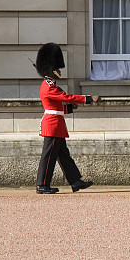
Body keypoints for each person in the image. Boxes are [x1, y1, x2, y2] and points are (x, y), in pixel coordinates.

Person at [34, 42, 100, 194]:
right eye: (57, 68)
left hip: (56, 124)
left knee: (64, 156)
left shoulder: (50, 84)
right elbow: (65, 96)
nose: (59, 71)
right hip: (52, 125)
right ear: (51, 69)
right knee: (49, 157)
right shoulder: (49, 86)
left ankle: (75, 181)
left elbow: (56, 106)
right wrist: (88, 99)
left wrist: (69, 108)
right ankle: (42, 184)